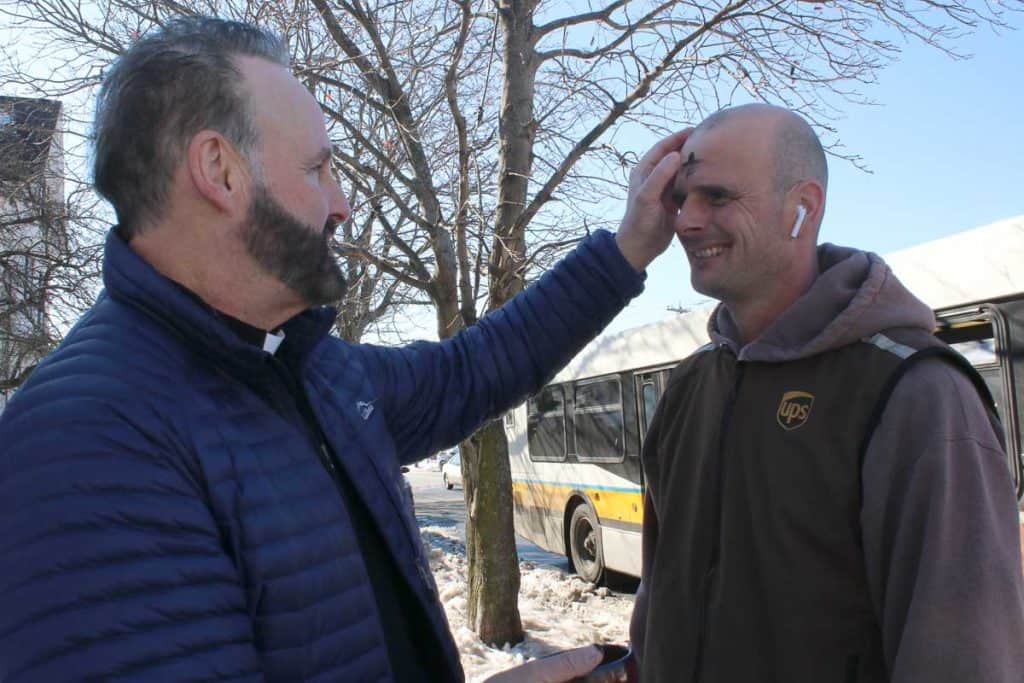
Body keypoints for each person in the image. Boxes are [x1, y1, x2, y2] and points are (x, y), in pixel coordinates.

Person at [0, 17, 687, 683]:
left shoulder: (310, 370)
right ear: (220, 170)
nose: (342, 203)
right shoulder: (87, 445)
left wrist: (629, 247)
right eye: (319, 167)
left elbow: (474, 368)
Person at [629, 103, 1024, 682]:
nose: (685, 221)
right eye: (680, 198)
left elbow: (965, 656)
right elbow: (657, 604)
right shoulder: (688, 389)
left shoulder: (917, 393)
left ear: (802, 208)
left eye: (716, 196)